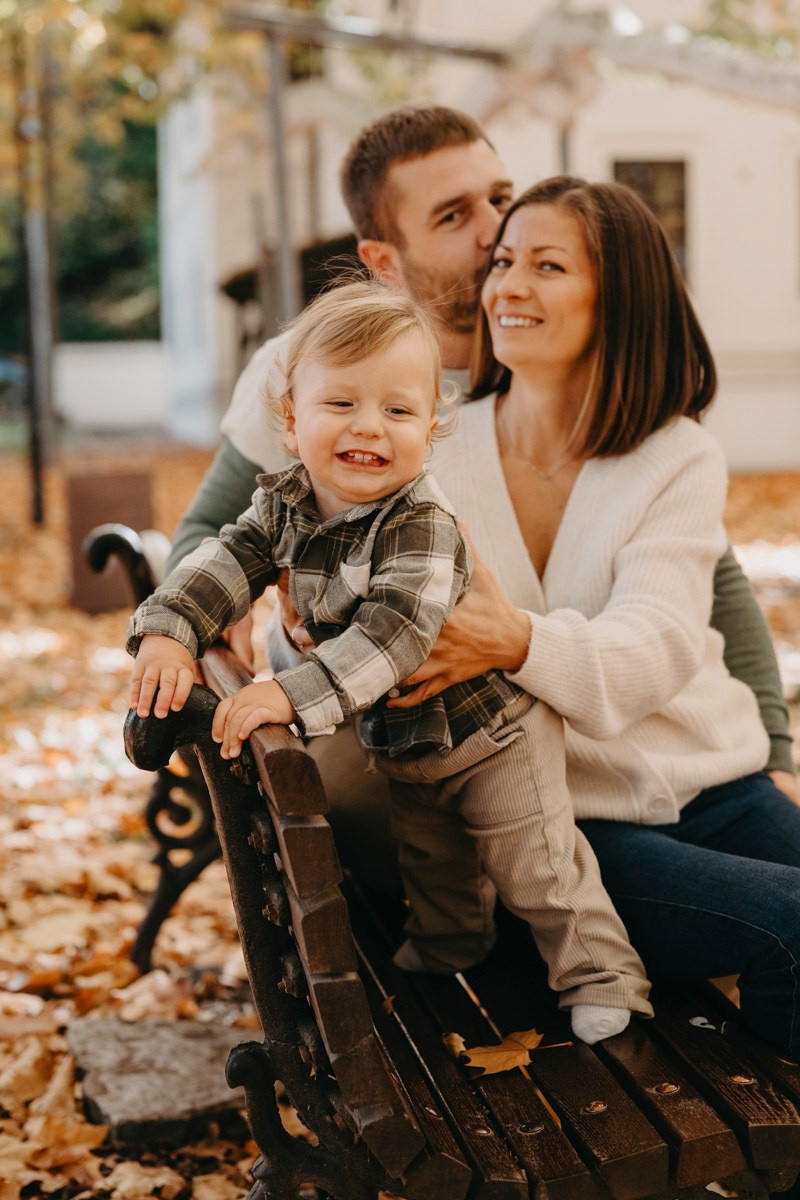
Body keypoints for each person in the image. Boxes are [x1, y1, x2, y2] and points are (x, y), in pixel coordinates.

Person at [166, 106, 796, 838]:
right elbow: (215, 527)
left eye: (501, 196)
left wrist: (776, 752)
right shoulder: (315, 367)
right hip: (415, 746)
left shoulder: (587, 381)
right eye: (455, 215)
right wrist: (244, 612)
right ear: (384, 262)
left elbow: (705, 583)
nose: (497, 229)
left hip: (604, 756)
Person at [126, 279, 653, 1045]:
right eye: (341, 405)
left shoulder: (422, 525)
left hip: (494, 735)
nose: (369, 428)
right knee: (433, 867)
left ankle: (604, 977)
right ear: (291, 417)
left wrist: (290, 697)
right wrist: (172, 628)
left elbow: (394, 636)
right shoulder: (283, 505)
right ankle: (449, 950)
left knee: (540, 869)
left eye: (399, 411)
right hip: (404, 742)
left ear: (431, 428)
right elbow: (224, 561)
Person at [383, 174, 799, 1060]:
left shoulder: (675, 454)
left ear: (620, 295)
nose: (509, 287)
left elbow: (661, 645)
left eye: (548, 265)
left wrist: (518, 641)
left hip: (718, 790)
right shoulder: (433, 456)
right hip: (565, 824)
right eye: (504, 263)